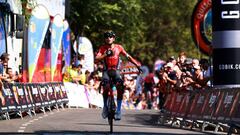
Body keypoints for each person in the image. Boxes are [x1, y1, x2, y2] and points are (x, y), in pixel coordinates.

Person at [95, 30, 141, 120]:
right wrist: (104, 55)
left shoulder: (119, 47)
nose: (109, 38)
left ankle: (119, 110)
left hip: (116, 71)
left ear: (114, 38)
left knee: (120, 87)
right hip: (106, 71)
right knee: (105, 86)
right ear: (105, 39)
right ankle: (105, 107)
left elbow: (128, 57)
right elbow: (96, 59)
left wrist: (137, 65)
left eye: (110, 36)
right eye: (107, 37)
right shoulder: (102, 48)